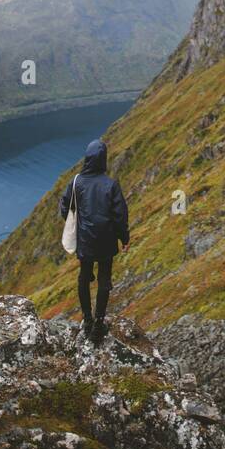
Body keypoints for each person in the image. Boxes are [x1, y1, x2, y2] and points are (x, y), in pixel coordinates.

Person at [60, 138, 129, 345]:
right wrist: (123, 238)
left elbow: (65, 208)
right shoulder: (111, 185)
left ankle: (87, 319)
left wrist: (77, 225)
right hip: (106, 241)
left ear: (87, 158)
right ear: (104, 159)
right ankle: (99, 324)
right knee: (104, 279)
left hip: (85, 240)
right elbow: (120, 216)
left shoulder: (76, 182)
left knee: (84, 276)